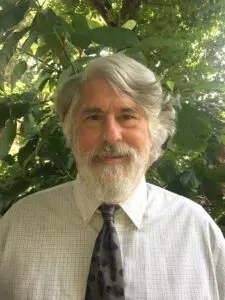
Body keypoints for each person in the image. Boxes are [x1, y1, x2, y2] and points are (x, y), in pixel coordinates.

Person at [0, 53, 224, 300]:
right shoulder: (18, 227)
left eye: (127, 116)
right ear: (70, 132)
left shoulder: (196, 229)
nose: (110, 135)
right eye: (93, 118)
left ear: (154, 132)